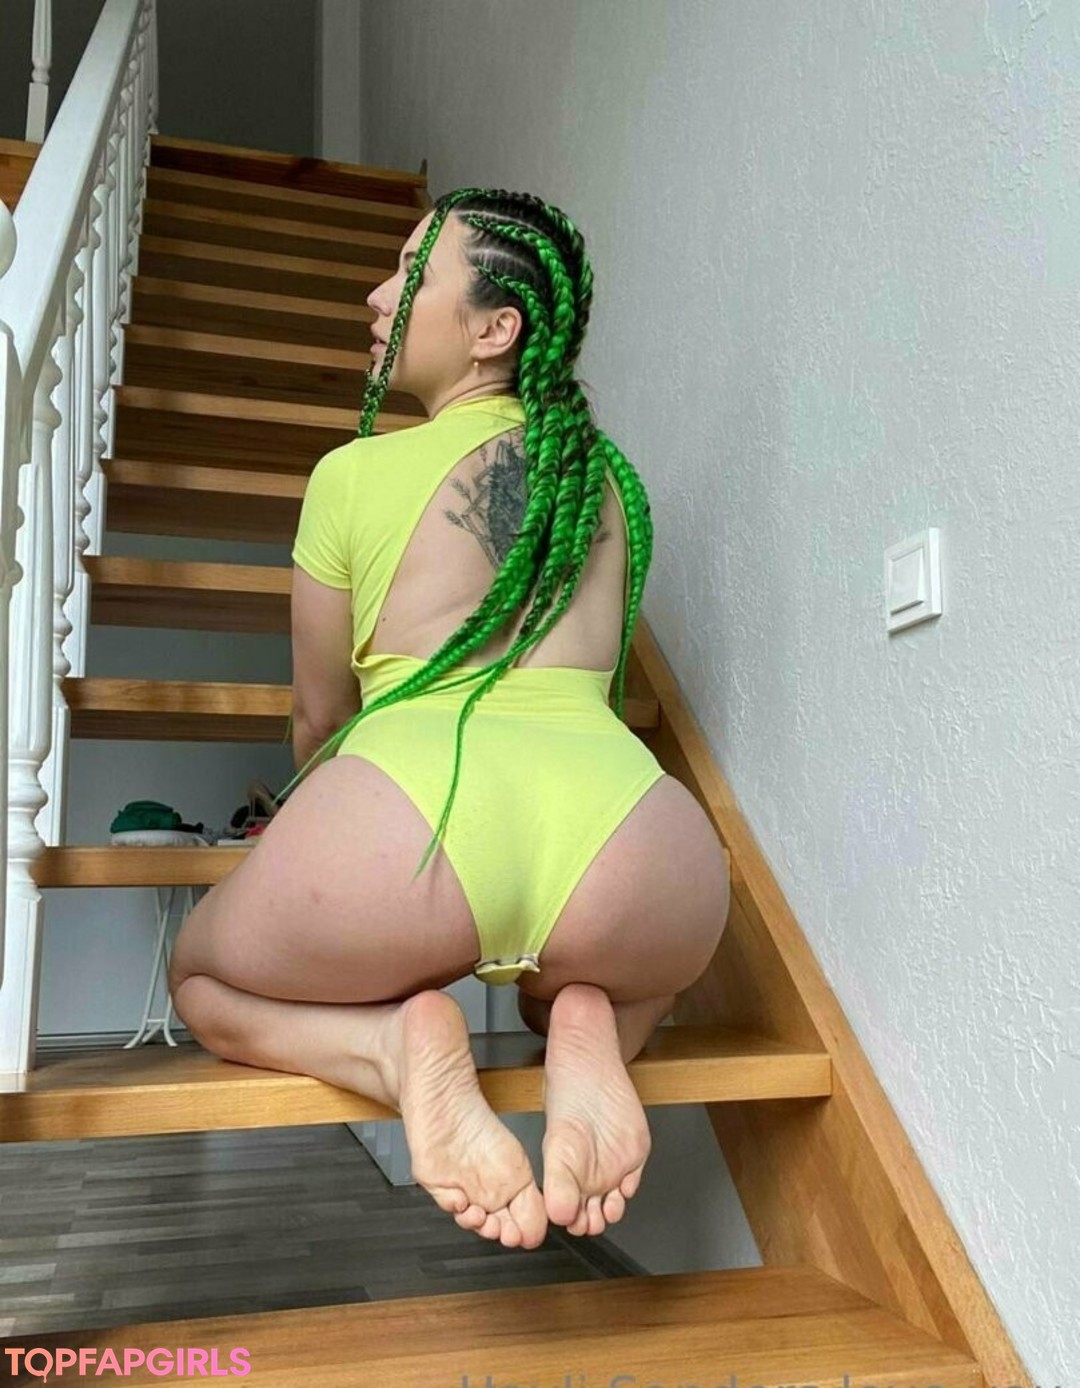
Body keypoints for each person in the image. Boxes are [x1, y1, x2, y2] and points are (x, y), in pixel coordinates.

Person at [168, 188, 731, 1252]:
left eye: (411, 275)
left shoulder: (352, 472)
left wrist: (327, 840)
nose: (376, 296)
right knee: (637, 970)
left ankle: (394, 1045)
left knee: (198, 976)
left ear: (493, 329)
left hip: (409, 820)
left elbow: (320, 717)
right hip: (635, 839)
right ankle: (588, 1022)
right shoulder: (603, 482)